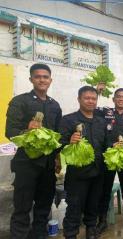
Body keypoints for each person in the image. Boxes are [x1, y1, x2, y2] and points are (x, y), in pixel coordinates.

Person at [5, 63, 62, 239]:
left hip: (47, 166)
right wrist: (26, 132)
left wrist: (58, 159)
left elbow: (57, 136)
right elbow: (10, 132)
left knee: (44, 207)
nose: (42, 80)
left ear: (50, 80)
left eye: (45, 77)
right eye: (38, 76)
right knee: (22, 206)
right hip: (26, 164)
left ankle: (39, 235)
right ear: (31, 79)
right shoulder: (20, 101)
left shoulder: (55, 105)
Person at [59, 86, 108, 239]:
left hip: (98, 171)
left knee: (93, 205)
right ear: (79, 99)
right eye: (87, 98)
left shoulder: (101, 121)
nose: (90, 101)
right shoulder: (68, 120)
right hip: (78, 174)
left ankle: (91, 231)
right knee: (74, 206)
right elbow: (59, 142)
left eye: (93, 98)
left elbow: (105, 144)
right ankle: (71, 234)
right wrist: (69, 140)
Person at [95, 88, 123, 235]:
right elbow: (90, 108)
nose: (121, 99)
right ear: (114, 99)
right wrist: (97, 91)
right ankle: (102, 221)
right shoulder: (105, 112)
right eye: (118, 97)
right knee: (104, 189)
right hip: (108, 157)